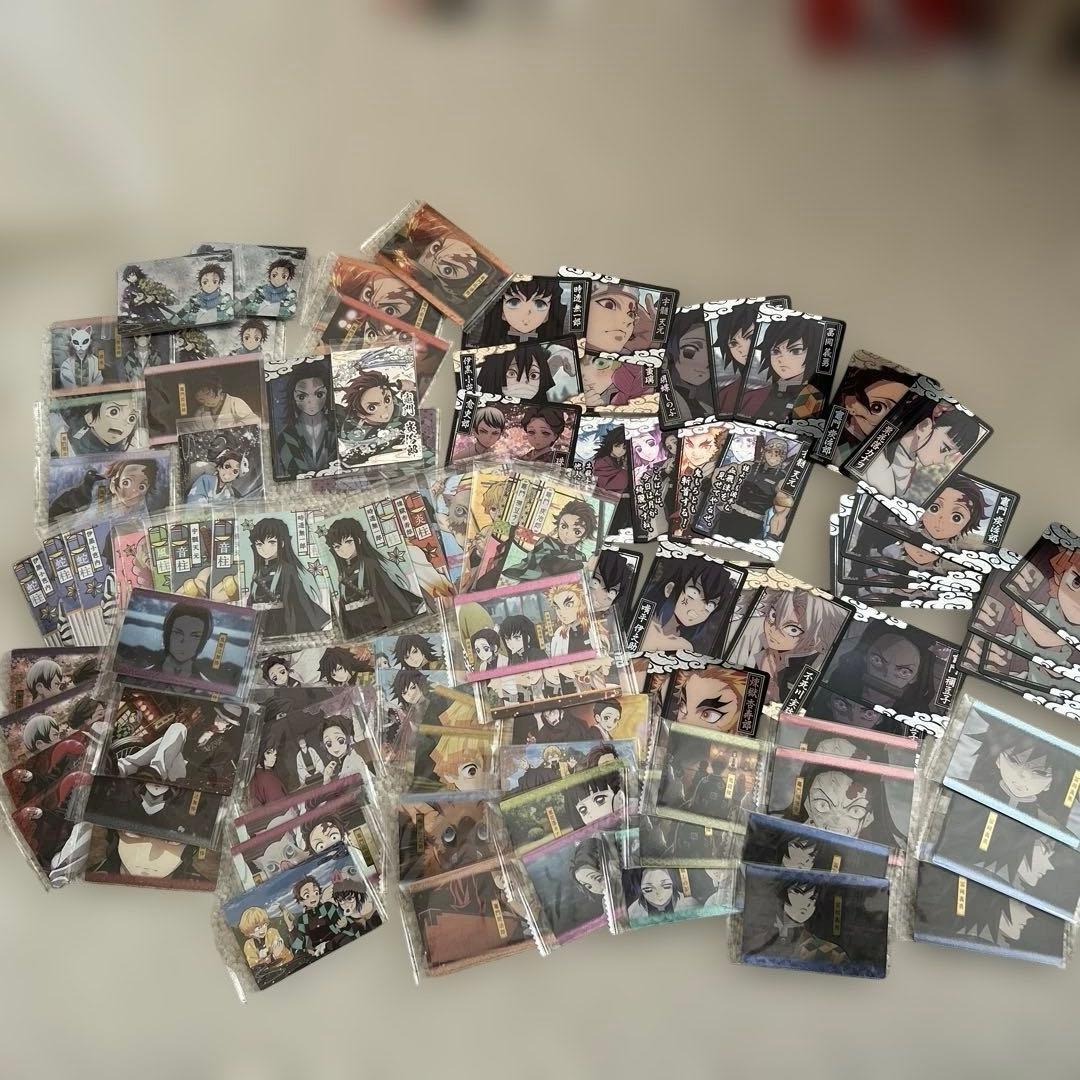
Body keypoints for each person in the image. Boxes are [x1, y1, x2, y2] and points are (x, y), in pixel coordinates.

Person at [727, 588, 849, 706]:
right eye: (774, 615)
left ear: (816, 640)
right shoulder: (743, 631)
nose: (773, 630)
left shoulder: (821, 660)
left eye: (793, 630)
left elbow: (797, 706)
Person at [325, 516, 424, 638]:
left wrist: (389, 624)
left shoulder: (369, 564)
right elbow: (342, 603)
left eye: (348, 542)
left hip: (376, 617)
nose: (343, 549)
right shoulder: (343, 573)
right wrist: (347, 632)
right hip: (357, 624)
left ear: (358, 540)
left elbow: (384, 592)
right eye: (337, 546)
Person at [860, 403, 983, 499]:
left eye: (949, 454)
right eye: (944, 448)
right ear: (925, 427)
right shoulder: (880, 458)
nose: (942, 460)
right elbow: (886, 491)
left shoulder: (906, 463)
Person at [246, 517, 330, 636]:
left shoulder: (287, 569)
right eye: (259, 544)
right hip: (260, 621)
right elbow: (251, 600)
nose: (265, 548)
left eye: (272, 542)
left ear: (282, 543)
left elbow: (297, 599)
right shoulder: (258, 572)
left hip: (281, 621)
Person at [638, 559, 737, 654]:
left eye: (709, 607)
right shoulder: (642, 622)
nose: (699, 610)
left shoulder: (684, 646)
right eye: (692, 595)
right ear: (669, 589)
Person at [738, 316, 825, 423]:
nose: (782, 359)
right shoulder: (757, 393)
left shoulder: (812, 397)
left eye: (795, 351)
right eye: (776, 351)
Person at [503, 499, 598, 582]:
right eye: (564, 526)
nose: (567, 534)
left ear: (584, 535)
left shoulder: (579, 556)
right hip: (526, 582)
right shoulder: (546, 542)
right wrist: (583, 565)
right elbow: (551, 564)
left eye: (577, 531)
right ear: (558, 525)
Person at [274, 364, 336, 477]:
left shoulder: (336, 427)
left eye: (319, 394)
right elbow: (295, 473)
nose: (311, 402)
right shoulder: (286, 436)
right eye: (302, 396)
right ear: (293, 398)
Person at [339, 369, 412, 464]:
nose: (385, 413)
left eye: (387, 400)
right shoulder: (352, 435)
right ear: (360, 413)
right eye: (372, 408)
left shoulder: (395, 403)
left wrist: (411, 390)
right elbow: (350, 459)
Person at [662, 309, 714, 423]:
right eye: (690, 351)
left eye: (711, 353)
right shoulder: (662, 401)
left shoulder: (708, 409)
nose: (705, 363)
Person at [60, 398, 141, 454]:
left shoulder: (124, 444)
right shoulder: (78, 440)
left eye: (132, 418)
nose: (122, 424)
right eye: (113, 412)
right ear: (90, 417)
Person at [190, 372, 259, 429]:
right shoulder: (199, 413)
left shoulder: (235, 403)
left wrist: (234, 429)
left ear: (219, 390)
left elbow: (254, 421)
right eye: (201, 399)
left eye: (209, 394)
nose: (207, 400)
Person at [239, 906, 294, 971]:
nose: (263, 930)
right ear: (249, 930)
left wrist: (265, 959)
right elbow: (255, 967)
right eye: (258, 928)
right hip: (271, 974)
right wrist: (272, 956)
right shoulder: (248, 945)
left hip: (288, 966)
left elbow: (281, 952)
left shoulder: (272, 932)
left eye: (264, 925)